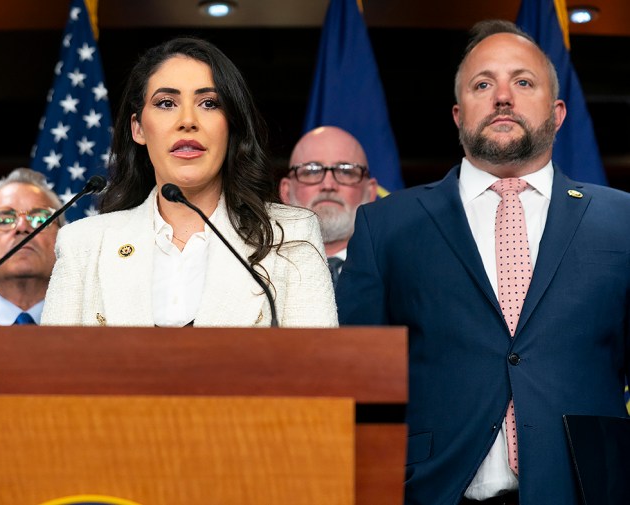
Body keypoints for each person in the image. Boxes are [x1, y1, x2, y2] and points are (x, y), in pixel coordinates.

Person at [337, 20, 630, 505]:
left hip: (588, 490)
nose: (502, 97)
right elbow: (357, 389)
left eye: (523, 81)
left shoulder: (621, 219)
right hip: (431, 491)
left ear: (558, 114)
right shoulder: (385, 226)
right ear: (457, 114)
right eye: (482, 84)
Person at [42, 37, 336, 327]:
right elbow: (52, 370)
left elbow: (318, 368)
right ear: (138, 128)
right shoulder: (83, 244)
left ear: (231, 125)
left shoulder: (291, 235)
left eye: (209, 103)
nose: (187, 120)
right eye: (166, 103)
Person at [280, 126, 377, 286]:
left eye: (346, 171)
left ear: (371, 191)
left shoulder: (399, 271)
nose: (328, 184)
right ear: (285, 191)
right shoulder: (256, 271)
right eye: (311, 170)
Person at [0, 168, 61, 325]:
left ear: (62, 247)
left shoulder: (95, 337)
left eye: (40, 219)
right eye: (4, 220)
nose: (23, 227)